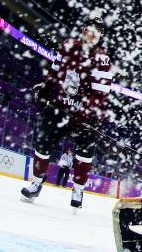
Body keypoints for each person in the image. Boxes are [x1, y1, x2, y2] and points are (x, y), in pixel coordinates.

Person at [20, 22, 112, 208]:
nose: (94, 34)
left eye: (99, 31)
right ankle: (36, 183)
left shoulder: (102, 58)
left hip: (86, 116)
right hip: (61, 108)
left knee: (85, 153)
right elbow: (54, 74)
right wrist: (44, 91)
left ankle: (78, 189)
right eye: (91, 29)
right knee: (43, 142)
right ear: (84, 30)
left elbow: (100, 94)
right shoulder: (68, 47)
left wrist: (86, 112)